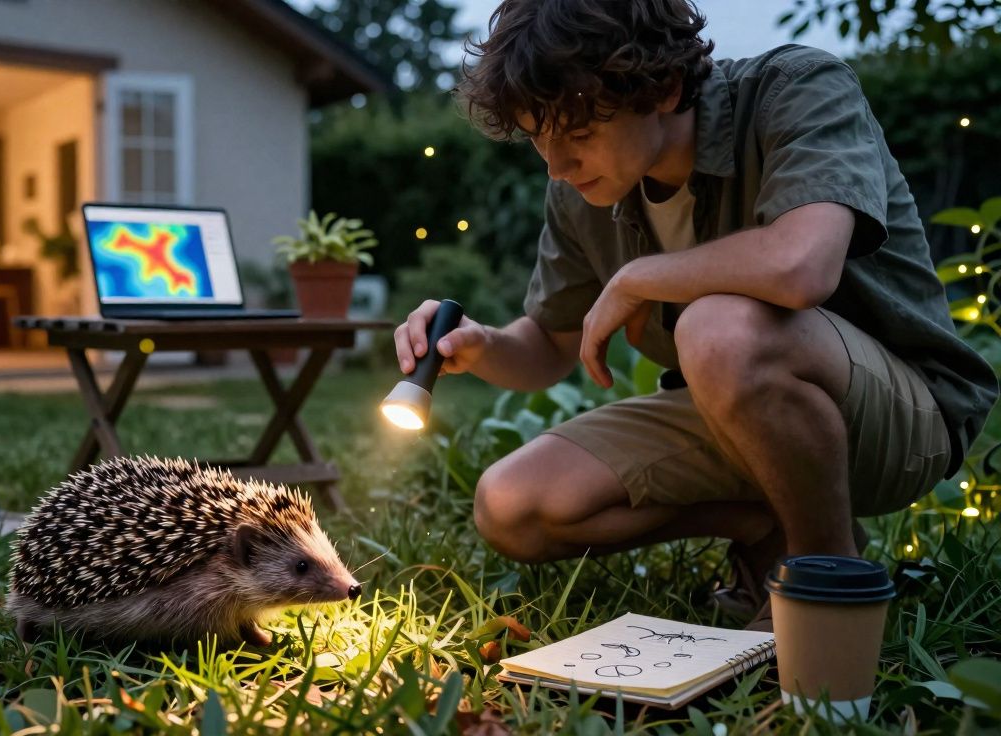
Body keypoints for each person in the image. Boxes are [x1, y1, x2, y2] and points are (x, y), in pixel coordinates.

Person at [393, 0, 998, 630]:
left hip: (901, 417)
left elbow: (802, 266)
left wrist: (640, 278)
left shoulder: (797, 89)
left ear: (665, 88)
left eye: (577, 134)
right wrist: (479, 343)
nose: (557, 165)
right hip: (732, 411)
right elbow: (549, 344)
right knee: (512, 504)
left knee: (715, 329)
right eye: (539, 138)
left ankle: (821, 587)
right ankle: (766, 525)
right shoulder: (580, 192)